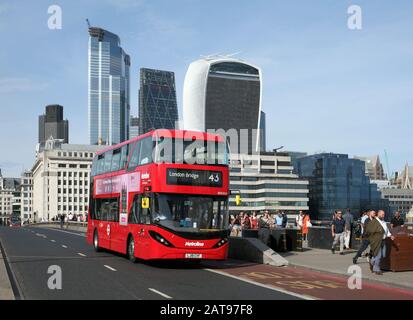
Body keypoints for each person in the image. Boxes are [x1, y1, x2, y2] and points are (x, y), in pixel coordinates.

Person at [365, 210, 395, 275]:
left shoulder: (384, 222)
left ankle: (372, 261)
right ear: (378, 214)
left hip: (383, 240)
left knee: (383, 255)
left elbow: (386, 230)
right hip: (376, 241)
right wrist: (376, 234)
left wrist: (390, 236)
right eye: (382, 214)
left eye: (384, 214)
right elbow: (368, 231)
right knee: (378, 255)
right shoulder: (373, 222)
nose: (383, 215)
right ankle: (377, 269)